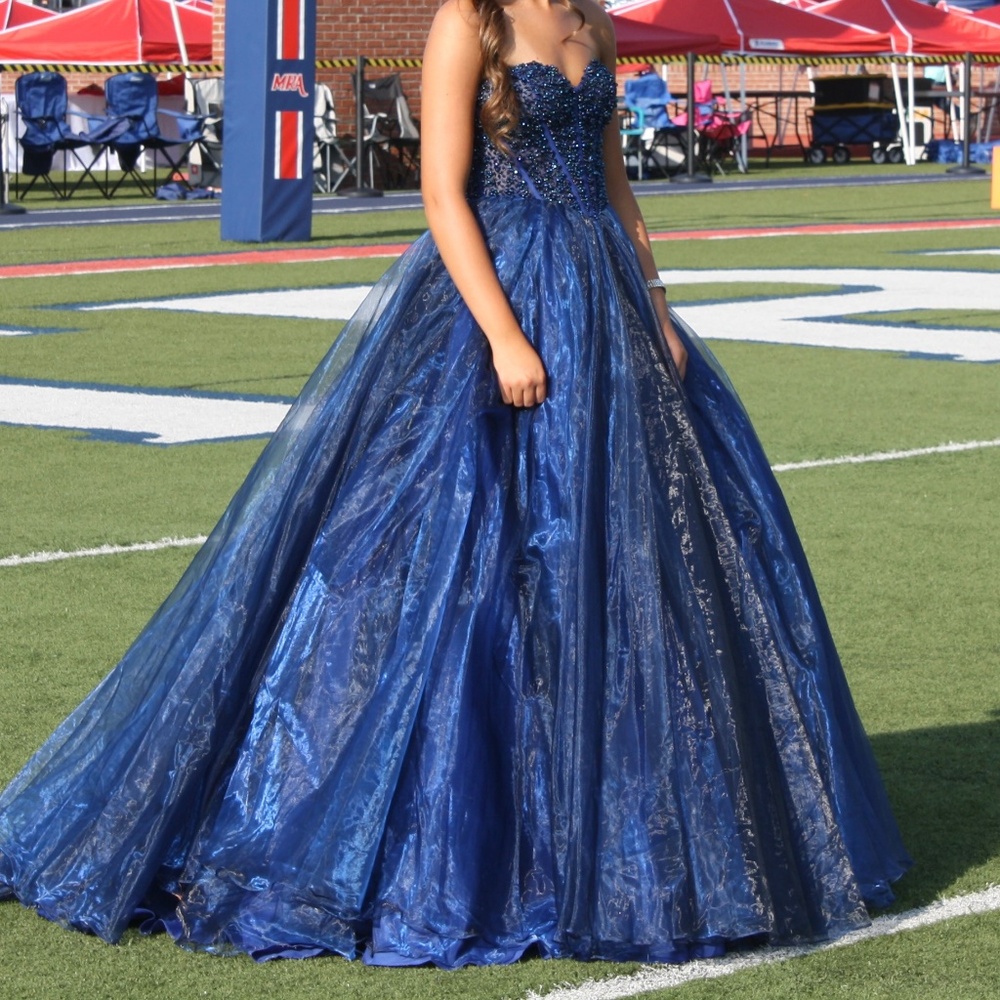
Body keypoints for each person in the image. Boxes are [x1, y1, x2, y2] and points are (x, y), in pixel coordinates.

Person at [0, 0, 909, 969]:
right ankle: (447, 842)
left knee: (626, 564)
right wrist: (504, 334)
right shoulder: (464, 24)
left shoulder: (591, 26)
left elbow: (615, 191)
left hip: (603, 300)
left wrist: (657, 306)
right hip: (496, 294)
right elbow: (443, 195)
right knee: (471, 560)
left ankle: (621, 828)